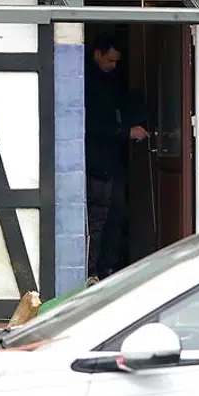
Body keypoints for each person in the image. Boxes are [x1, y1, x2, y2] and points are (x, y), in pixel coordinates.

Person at [85, 34, 148, 280]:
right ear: (97, 54)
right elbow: (90, 125)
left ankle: (107, 270)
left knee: (116, 216)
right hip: (97, 163)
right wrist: (125, 132)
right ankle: (92, 272)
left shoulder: (112, 82)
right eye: (109, 60)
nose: (113, 65)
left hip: (112, 162)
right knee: (98, 220)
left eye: (116, 61)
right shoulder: (87, 83)